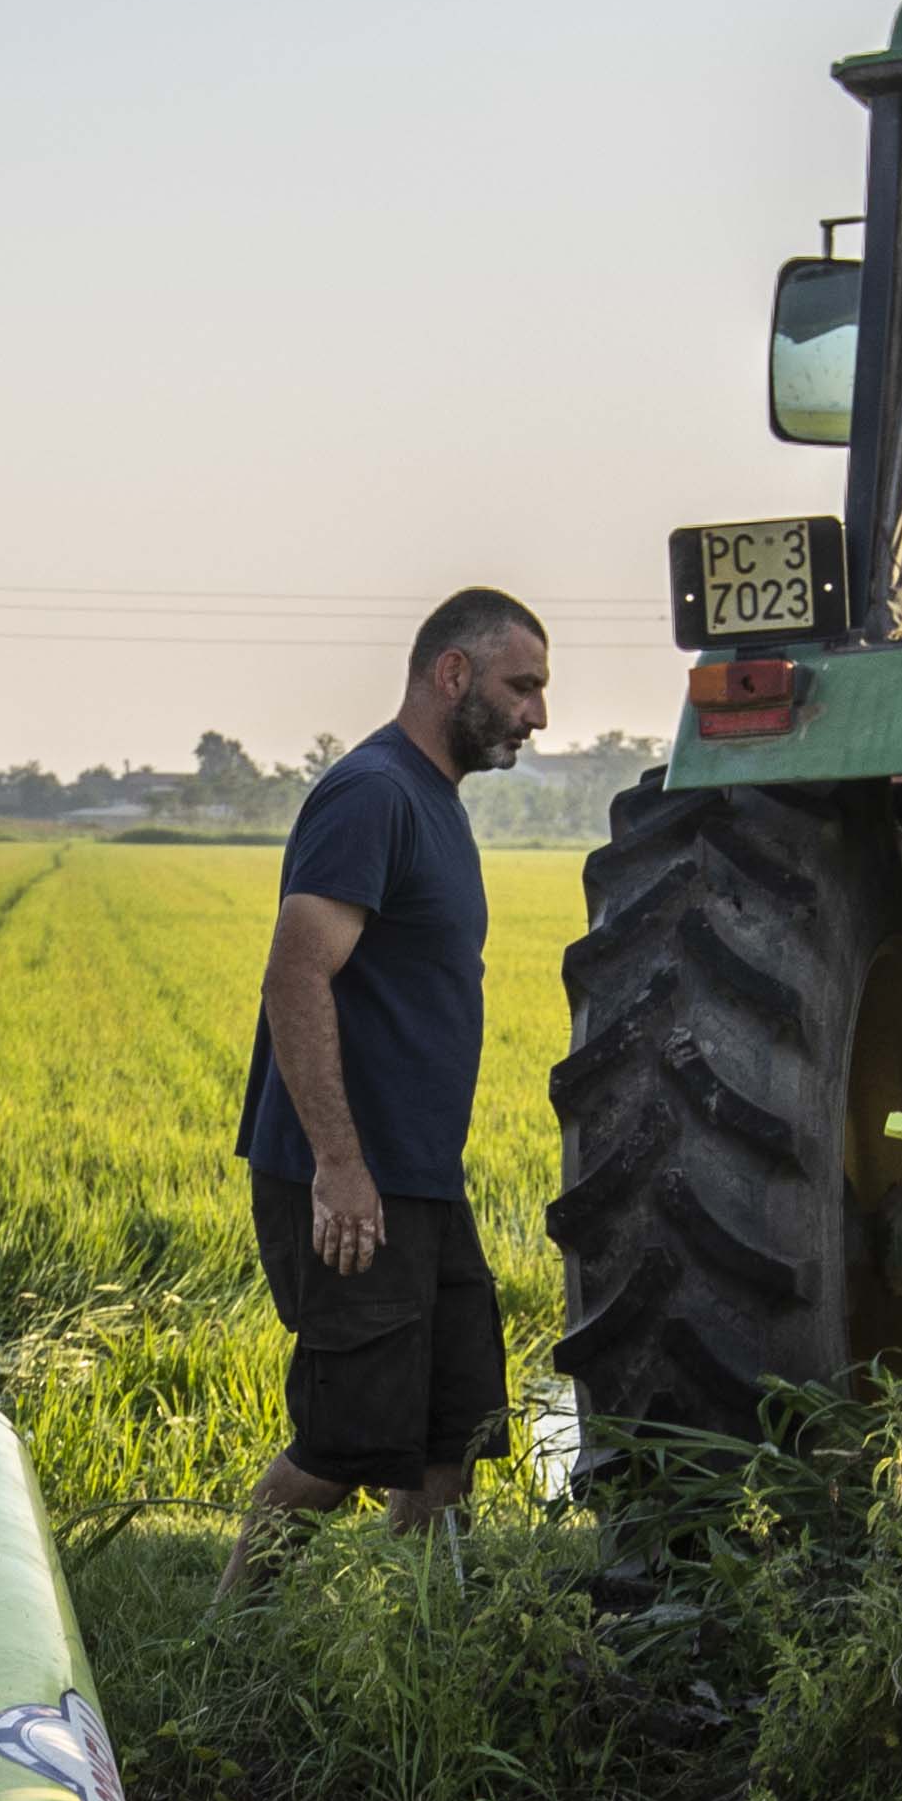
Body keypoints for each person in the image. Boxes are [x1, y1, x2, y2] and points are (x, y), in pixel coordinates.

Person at [237, 588, 549, 1562]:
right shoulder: (374, 793)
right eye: (522, 685)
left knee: (452, 1433)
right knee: (342, 1444)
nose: (537, 713)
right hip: (347, 1181)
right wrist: (338, 1165)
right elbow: (296, 972)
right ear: (452, 673)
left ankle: (420, 1649)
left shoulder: (432, 802)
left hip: (418, 1179)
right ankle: (228, 1650)